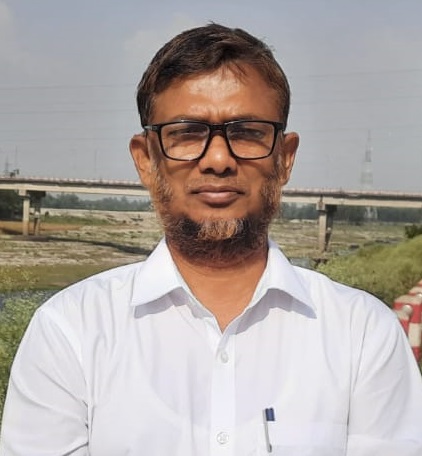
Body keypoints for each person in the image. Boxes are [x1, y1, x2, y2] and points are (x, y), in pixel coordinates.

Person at [1, 23, 421, 456]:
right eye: (186, 133)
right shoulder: (71, 331)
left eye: (247, 132)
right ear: (145, 160)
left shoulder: (362, 334)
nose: (218, 159)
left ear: (285, 157)